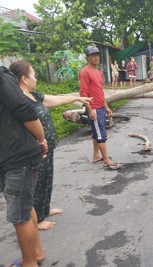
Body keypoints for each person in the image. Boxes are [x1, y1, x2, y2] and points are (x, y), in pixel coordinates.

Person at [9, 60, 92, 231]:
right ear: (24, 78)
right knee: (37, 184)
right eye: (34, 75)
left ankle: (44, 209)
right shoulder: (18, 99)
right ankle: (38, 219)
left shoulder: (34, 95)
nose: (36, 79)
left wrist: (77, 97)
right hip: (36, 150)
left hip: (49, 145)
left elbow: (54, 100)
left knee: (47, 179)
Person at [0, 66, 48, 267]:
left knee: (20, 216)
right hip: (9, 156)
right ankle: (35, 253)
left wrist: (41, 138)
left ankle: (30, 263)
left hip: (17, 158)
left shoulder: (2, 78)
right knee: (25, 209)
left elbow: (25, 109)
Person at [79, 45, 121, 170]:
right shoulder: (84, 72)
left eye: (97, 55)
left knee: (96, 133)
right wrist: (90, 110)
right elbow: (83, 94)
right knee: (101, 134)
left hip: (101, 107)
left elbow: (100, 91)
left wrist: (106, 107)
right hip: (94, 108)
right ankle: (106, 160)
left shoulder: (98, 72)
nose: (96, 57)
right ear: (88, 58)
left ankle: (96, 155)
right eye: (93, 55)